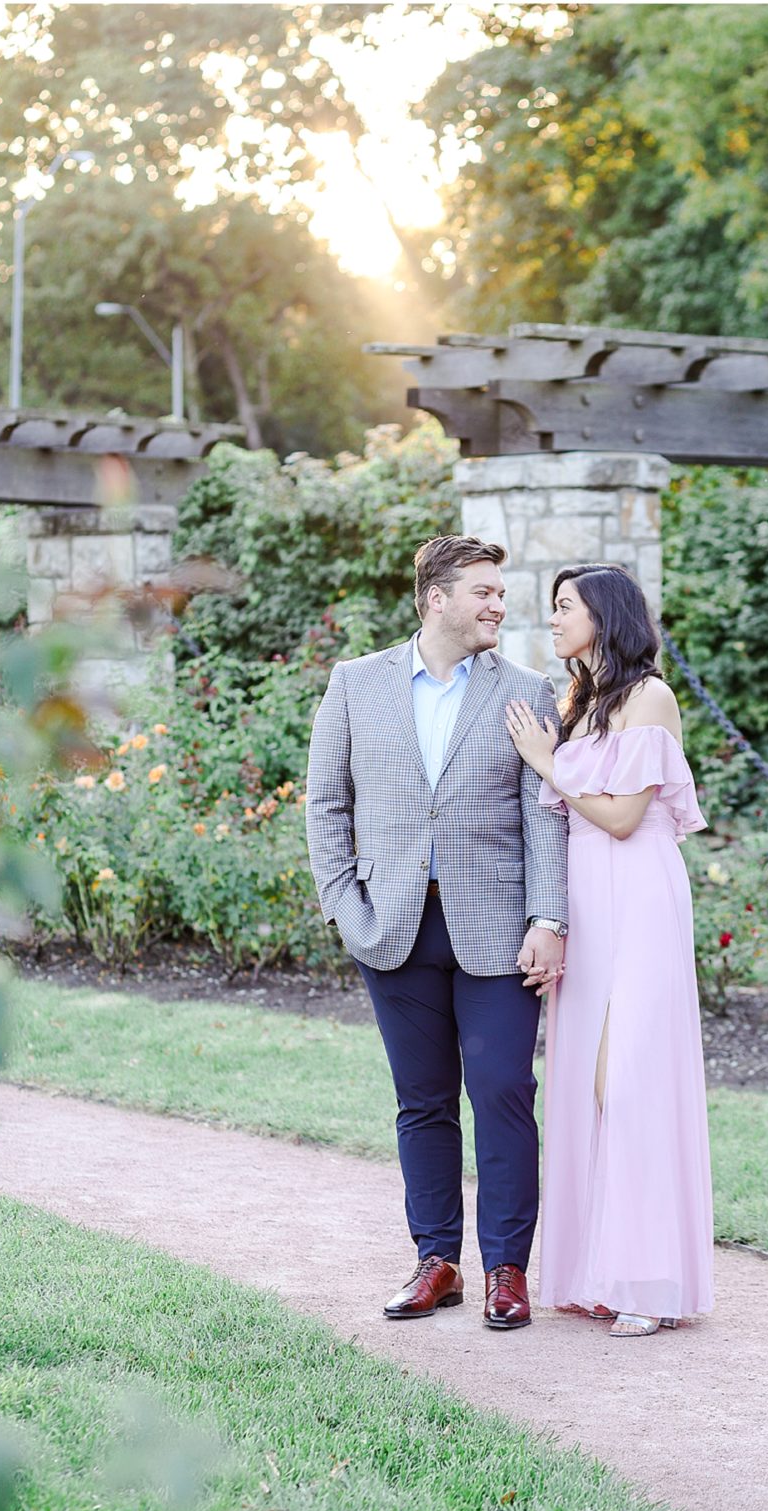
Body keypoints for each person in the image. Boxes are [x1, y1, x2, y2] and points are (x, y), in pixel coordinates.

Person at [305, 535, 568, 1331]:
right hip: (390, 929)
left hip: (498, 934)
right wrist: (343, 906)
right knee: (420, 1104)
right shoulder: (354, 684)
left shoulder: (527, 690)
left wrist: (548, 919)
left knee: (502, 1095)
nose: (497, 605)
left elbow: (544, 818)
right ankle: (437, 1263)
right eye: (483, 591)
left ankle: (508, 1271)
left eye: (499, 592)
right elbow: (324, 805)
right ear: (435, 600)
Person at [505, 563, 714, 1337]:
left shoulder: (647, 696)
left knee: (627, 1081)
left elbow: (624, 817)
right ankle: (599, 1270)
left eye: (564, 607)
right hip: (587, 905)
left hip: (640, 898)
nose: (553, 620)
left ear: (605, 614)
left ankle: (647, 1279)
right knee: (583, 1088)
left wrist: (544, 761)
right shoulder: (581, 702)